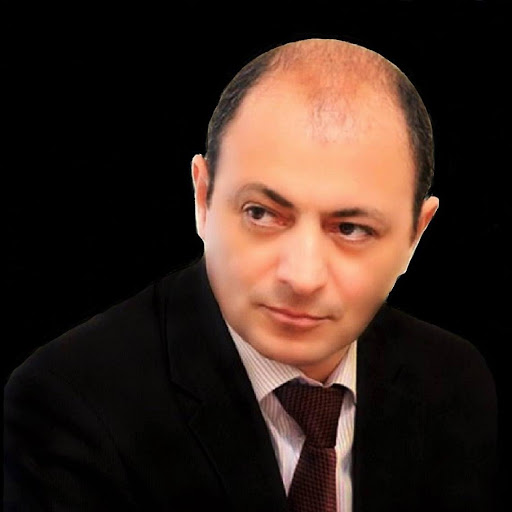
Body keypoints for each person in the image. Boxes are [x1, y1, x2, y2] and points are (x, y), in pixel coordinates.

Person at [4, 38, 497, 511]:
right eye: (261, 214)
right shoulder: (69, 402)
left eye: (350, 229)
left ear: (415, 235)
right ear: (202, 198)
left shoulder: (455, 382)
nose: (301, 277)